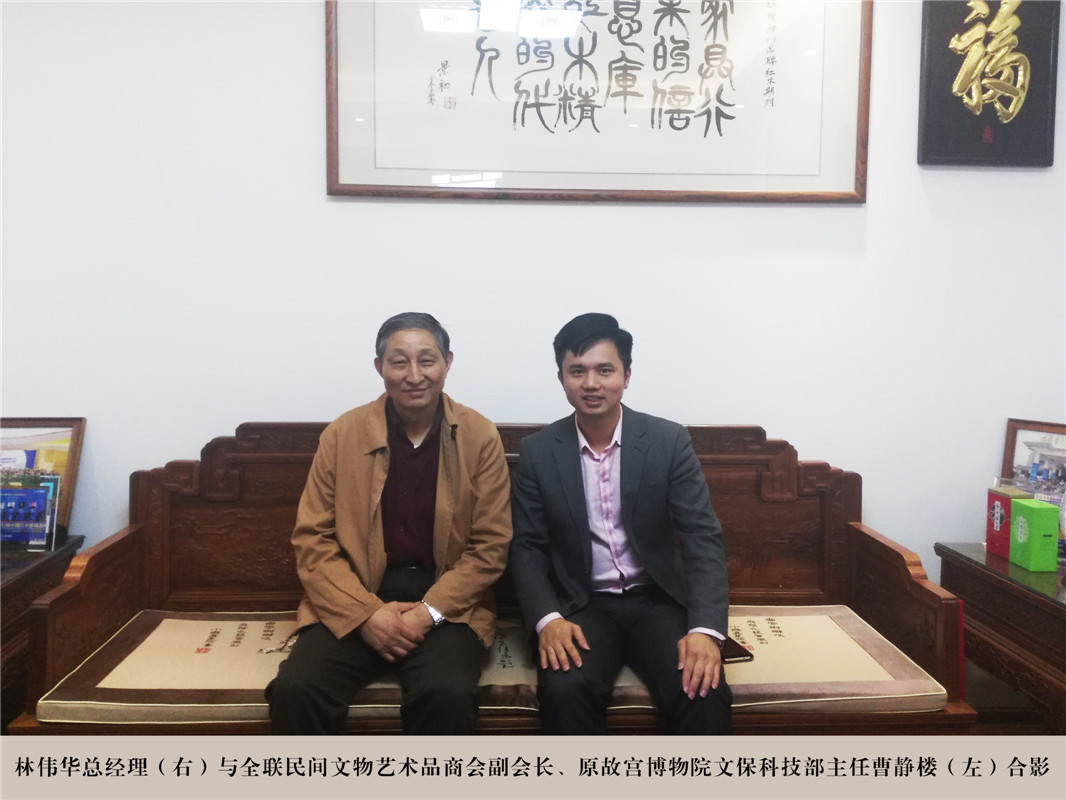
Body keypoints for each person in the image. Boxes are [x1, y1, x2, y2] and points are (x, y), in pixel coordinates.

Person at [266, 312, 512, 734]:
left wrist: (426, 614)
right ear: (380, 367)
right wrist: (366, 615)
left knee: (447, 693)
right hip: (355, 593)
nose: (414, 375)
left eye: (427, 360)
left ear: (447, 362)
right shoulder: (342, 435)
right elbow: (312, 540)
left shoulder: (479, 436)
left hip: (446, 600)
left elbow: (490, 546)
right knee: (296, 689)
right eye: (399, 362)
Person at [509, 312, 732, 735]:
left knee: (701, 688)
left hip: (657, 601)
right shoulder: (539, 452)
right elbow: (527, 548)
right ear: (561, 379)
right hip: (583, 604)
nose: (591, 383)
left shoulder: (667, 441)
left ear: (627, 376)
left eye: (605, 370)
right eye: (577, 371)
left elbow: (701, 537)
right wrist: (547, 619)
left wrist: (706, 629)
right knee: (564, 689)